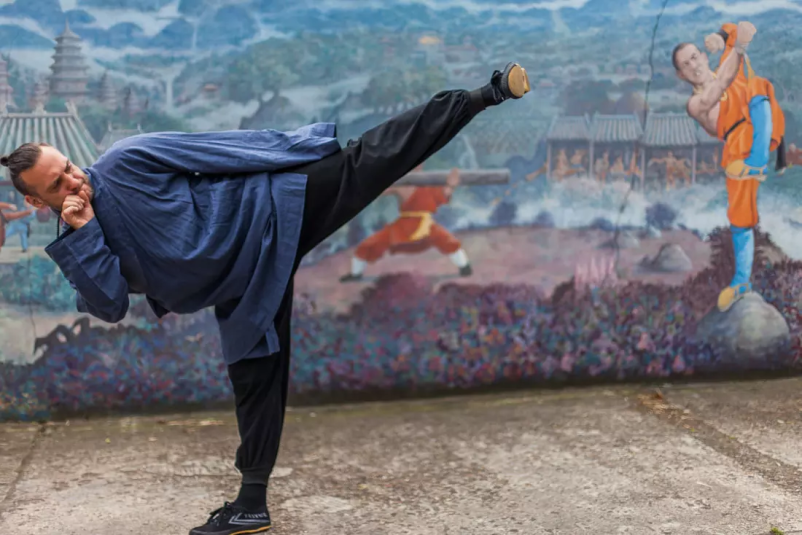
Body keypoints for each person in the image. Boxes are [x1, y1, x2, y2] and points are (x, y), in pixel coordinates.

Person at [0, 62, 530, 535]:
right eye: (57, 183)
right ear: (32, 199)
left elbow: (217, 150)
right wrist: (87, 229)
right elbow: (109, 304)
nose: (75, 181)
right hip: (243, 283)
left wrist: (307, 147)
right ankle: (252, 505)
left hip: (273, 207)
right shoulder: (77, 238)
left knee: (371, 157)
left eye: (68, 166)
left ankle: (483, 94)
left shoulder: (122, 160)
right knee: (254, 375)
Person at [673, 21, 786, 312]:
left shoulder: (728, 64)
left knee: (755, 85)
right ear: (681, 74)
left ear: (703, 55)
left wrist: (720, 36)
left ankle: (759, 163)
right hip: (737, 145)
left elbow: (738, 30)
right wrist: (736, 47)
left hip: (757, 129)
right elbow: (718, 86)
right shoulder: (695, 103)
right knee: (740, 217)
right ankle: (740, 282)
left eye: (695, 56)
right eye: (686, 64)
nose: (694, 65)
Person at [340, 166, 472, 281]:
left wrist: (451, 185)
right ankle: (355, 274)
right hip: (403, 226)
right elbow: (378, 191)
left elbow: (444, 194)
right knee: (368, 245)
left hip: (426, 224)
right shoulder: (401, 183)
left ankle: (465, 267)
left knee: (448, 241)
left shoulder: (429, 182)